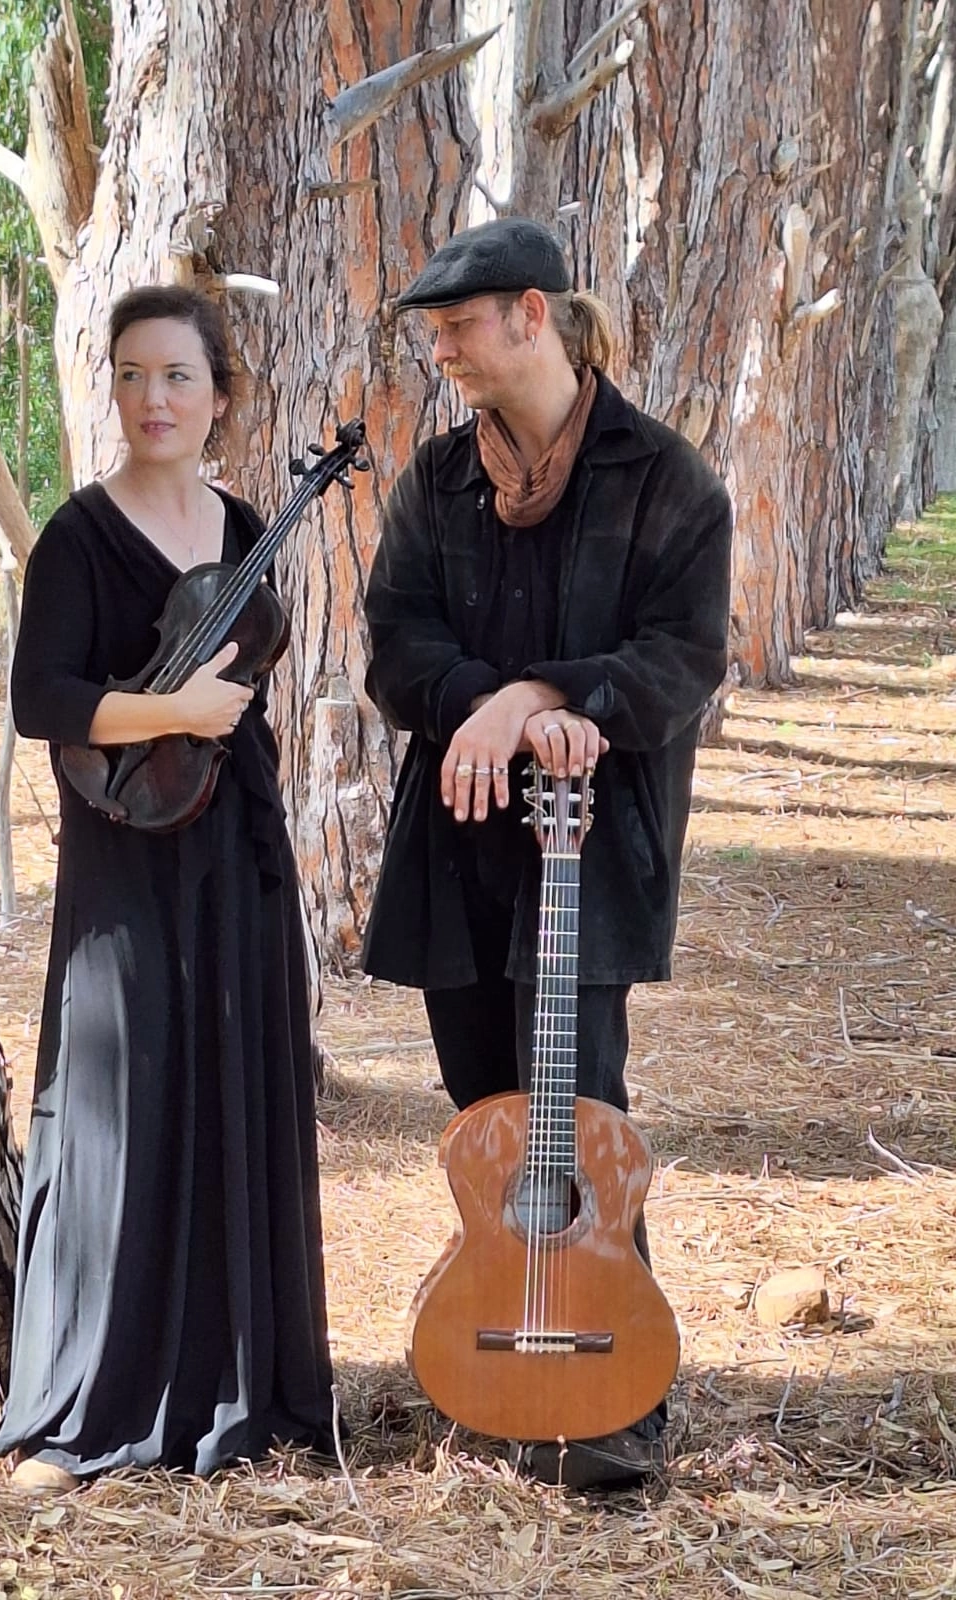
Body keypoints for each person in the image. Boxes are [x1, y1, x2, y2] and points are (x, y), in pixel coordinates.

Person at [361, 218, 733, 1488]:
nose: (445, 354)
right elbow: (391, 642)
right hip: (461, 851)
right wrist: (481, 699)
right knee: (486, 1119)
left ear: (531, 313)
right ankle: (507, 1362)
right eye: (435, 336)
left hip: (593, 850)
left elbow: (680, 664)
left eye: (460, 329)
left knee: (585, 1126)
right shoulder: (435, 482)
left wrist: (530, 699)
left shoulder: (669, 480)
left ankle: (617, 1399)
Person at [0, 285, 335, 1493]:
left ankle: (243, 1379)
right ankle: (99, 1394)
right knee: (121, 1098)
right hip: (125, 846)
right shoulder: (79, 535)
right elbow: (44, 700)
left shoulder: (244, 525)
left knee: (234, 1079)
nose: (152, 399)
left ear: (219, 395)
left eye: (177, 376)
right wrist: (171, 710)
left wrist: (208, 723)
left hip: (233, 836)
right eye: (131, 375)